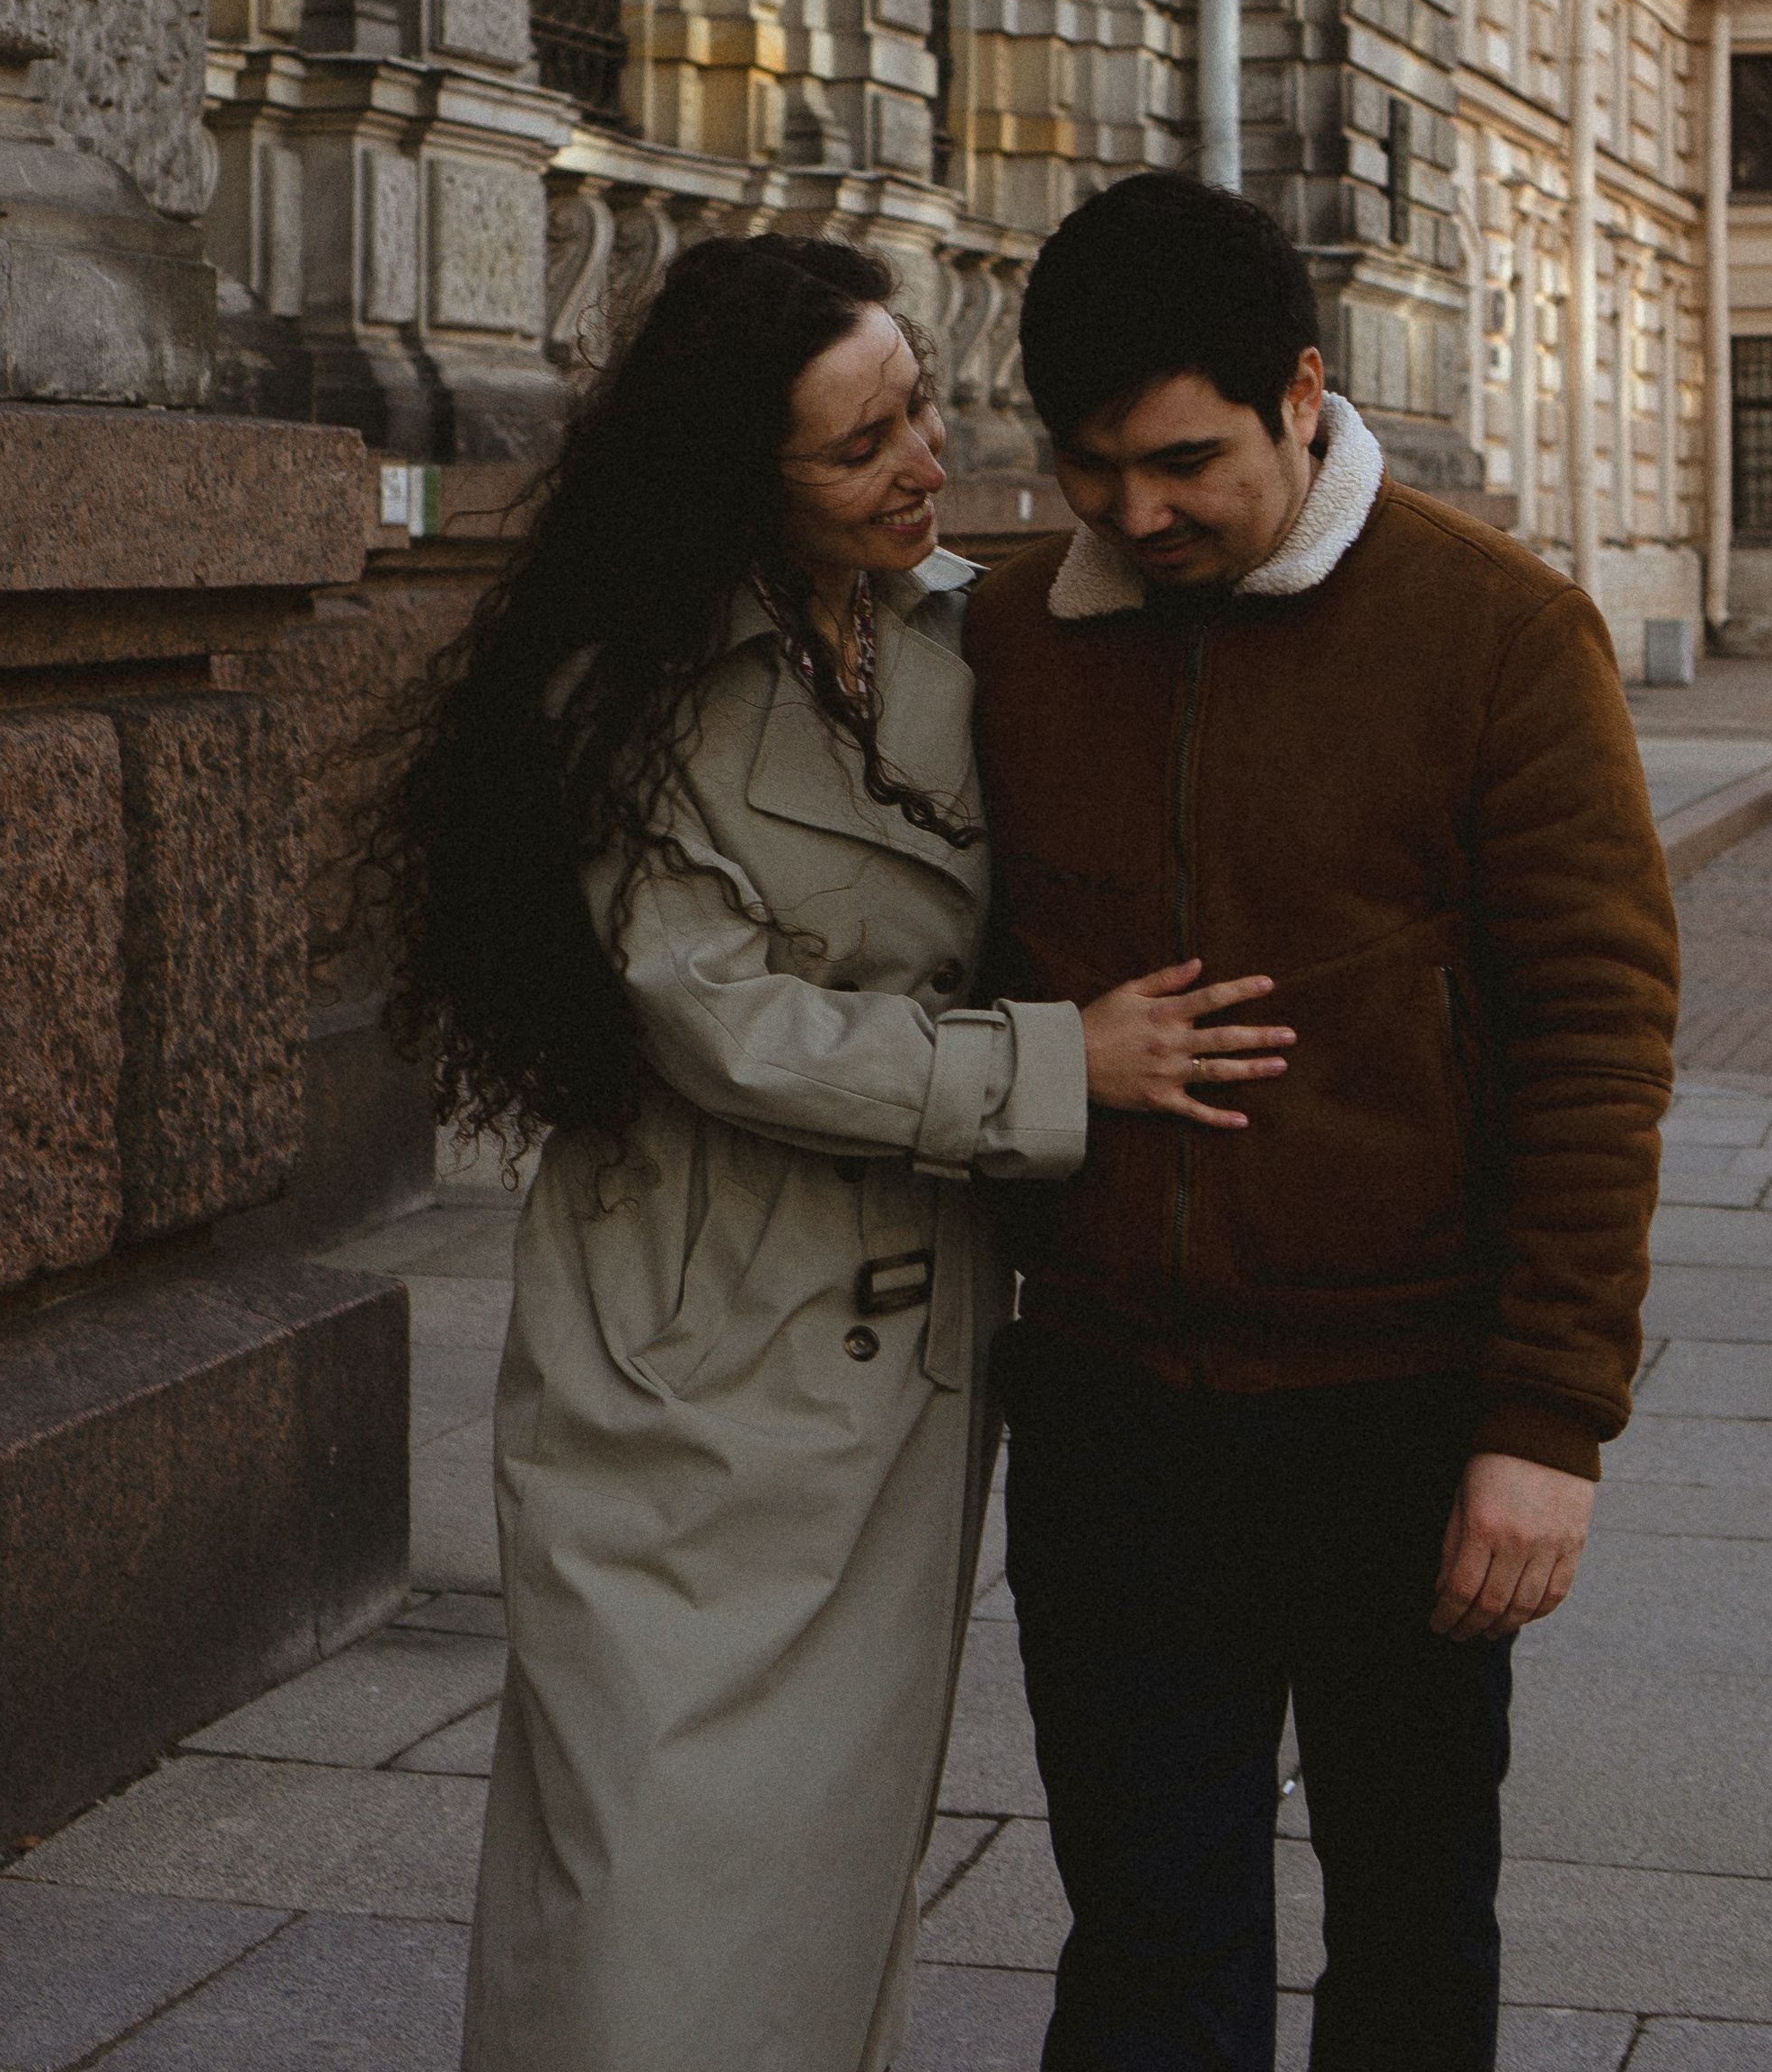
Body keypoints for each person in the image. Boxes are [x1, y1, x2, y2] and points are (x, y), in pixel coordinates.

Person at [376, 231, 1293, 2072]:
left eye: (922, 406)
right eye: (861, 441)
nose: (921, 460)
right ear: (740, 472)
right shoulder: (619, 695)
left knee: (822, 1857)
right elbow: (718, 1022)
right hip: (691, 1336)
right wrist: (1060, 1069)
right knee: (645, 1851)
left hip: (902, 1323)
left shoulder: (967, 629)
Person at [962, 172, 1680, 2072]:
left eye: (1182, 459)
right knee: (1143, 1944)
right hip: (1114, 1412)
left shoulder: (1500, 632)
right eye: (1088, 470)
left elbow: (1596, 1040)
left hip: (1404, 1411)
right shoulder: (1014, 637)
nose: (1134, 513)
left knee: (1408, 1936)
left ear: (1300, 388)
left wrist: (1543, 1423)